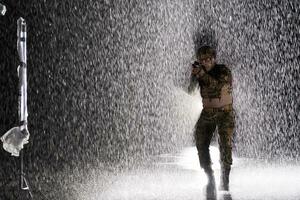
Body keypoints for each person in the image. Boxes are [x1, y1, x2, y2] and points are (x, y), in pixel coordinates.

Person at [188, 45, 235, 191]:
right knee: (200, 141)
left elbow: (217, 87)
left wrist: (201, 74)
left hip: (225, 113)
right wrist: (193, 76)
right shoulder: (200, 73)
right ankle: (209, 176)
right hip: (207, 112)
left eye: (208, 59)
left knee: (225, 145)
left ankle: (225, 179)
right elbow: (190, 91)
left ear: (214, 59)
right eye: (202, 60)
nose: (206, 62)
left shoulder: (223, 71)